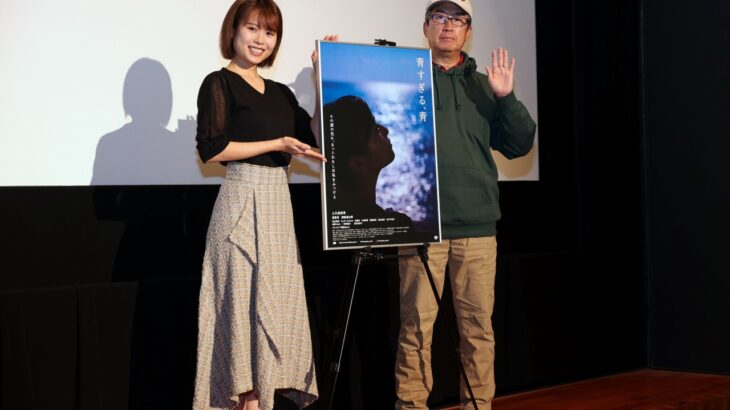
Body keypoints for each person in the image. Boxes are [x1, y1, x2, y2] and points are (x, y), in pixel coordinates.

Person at [192, 1, 336, 409]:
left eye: (269, 32)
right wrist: (275, 143)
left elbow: (314, 136)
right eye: (253, 28)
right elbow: (212, 148)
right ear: (233, 30)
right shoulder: (218, 83)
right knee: (240, 315)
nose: (260, 39)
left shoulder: (281, 93)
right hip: (239, 206)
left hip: (276, 209)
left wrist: (322, 80)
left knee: (272, 313)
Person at [394, 1, 537, 409]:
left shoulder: (485, 85)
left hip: (476, 227)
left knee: (478, 330)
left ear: (468, 31)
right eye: (440, 17)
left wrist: (506, 98)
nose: (448, 26)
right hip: (421, 226)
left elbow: (520, 143)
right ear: (426, 27)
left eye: (457, 20)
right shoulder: (404, 80)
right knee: (415, 330)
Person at [323, 96, 415, 235]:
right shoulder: (397, 227)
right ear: (358, 164)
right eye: (375, 131)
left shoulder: (329, 222)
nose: (385, 130)